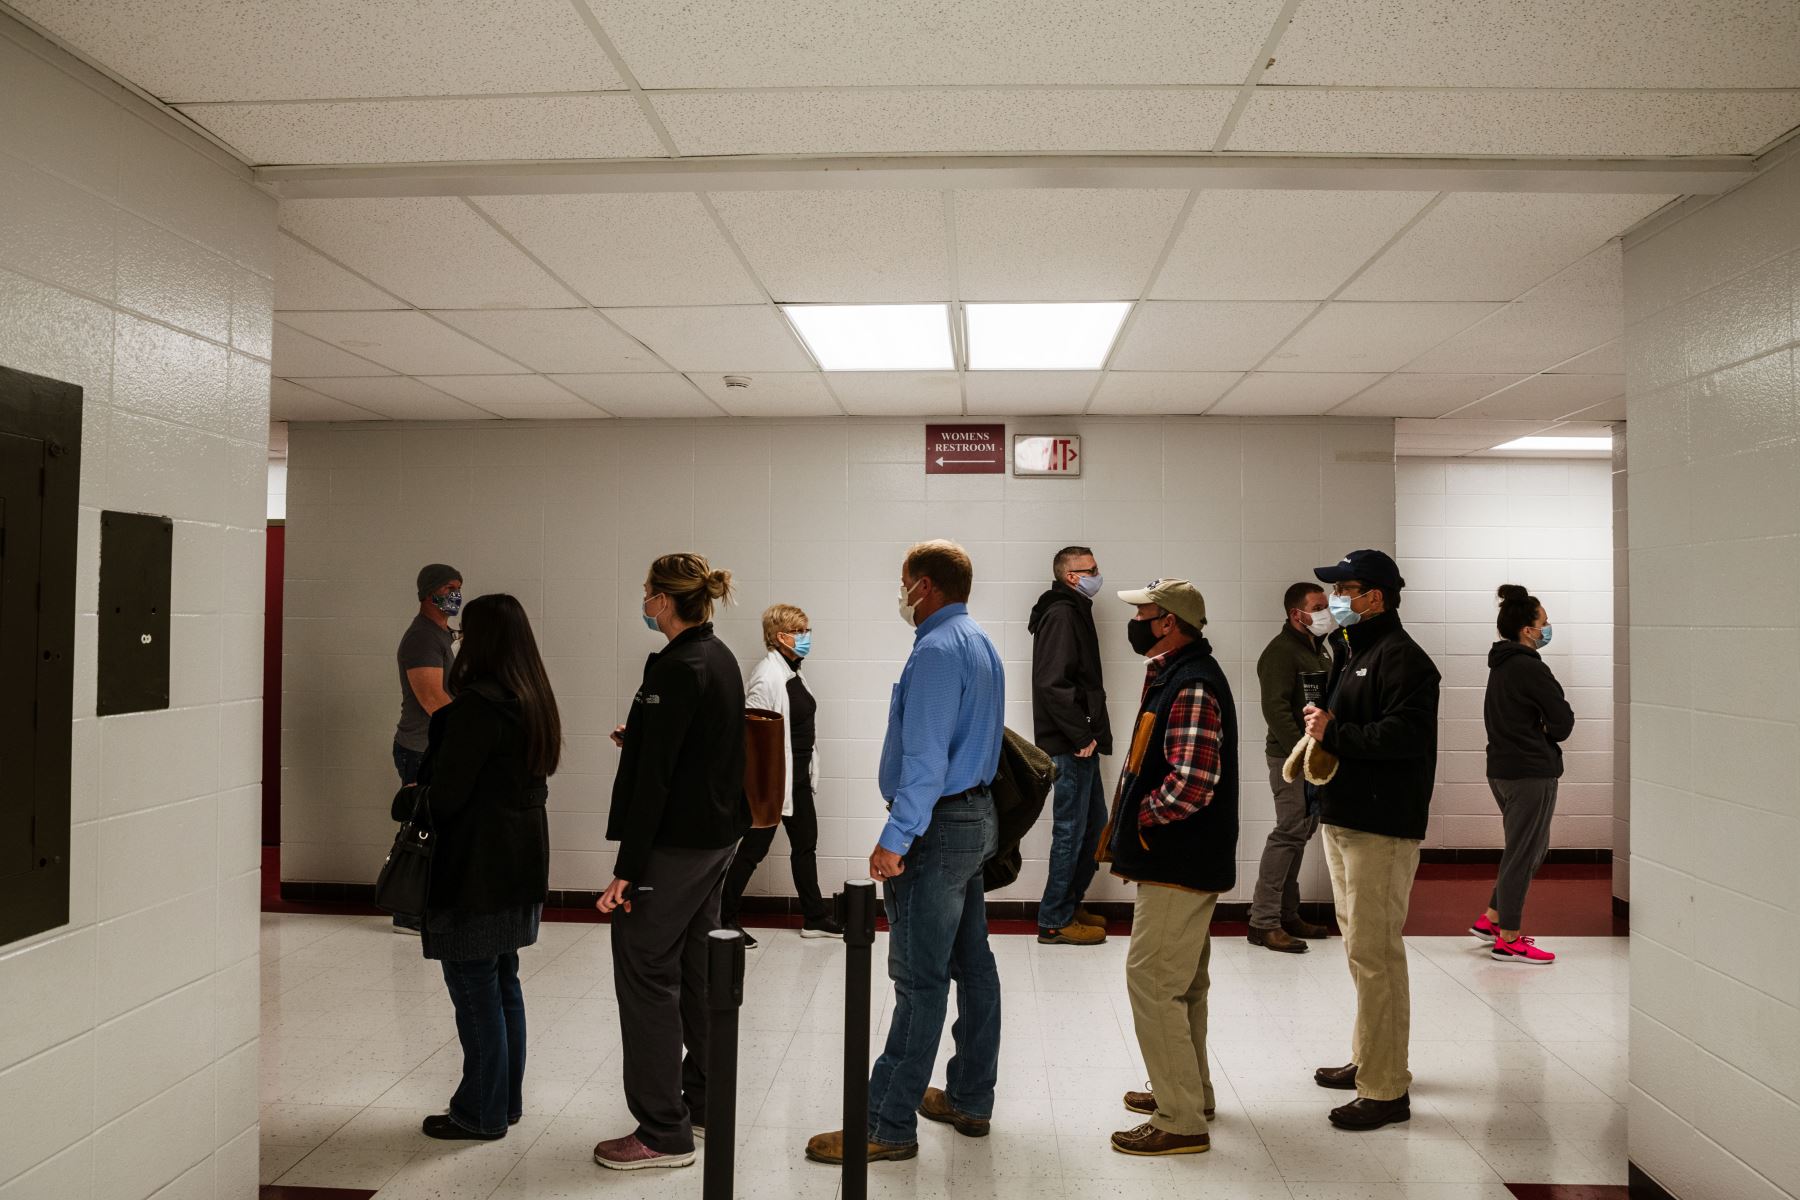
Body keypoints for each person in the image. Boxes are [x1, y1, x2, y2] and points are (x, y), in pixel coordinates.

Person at [806, 540, 1005, 1167]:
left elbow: (925, 760)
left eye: (904, 583)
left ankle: (887, 1124)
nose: (901, 594)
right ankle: (970, 1096)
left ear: (925, 585)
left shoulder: (939, 651)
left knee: (918, 980)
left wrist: (895, 840)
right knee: (972, 964)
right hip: (973, 820)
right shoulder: (979, 641)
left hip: (937, 829)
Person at [594, 554, 749, 1172]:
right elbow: (699, 747)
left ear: (661, 600)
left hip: (675, 843)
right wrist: (643, 739)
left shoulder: (680, 666)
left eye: (647, 593)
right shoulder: (718, 656)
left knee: (645, 968)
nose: (644, 601)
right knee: (694, 966)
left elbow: (656, 780)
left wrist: (628, 867)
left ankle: (662, 1130)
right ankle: (706, 1104)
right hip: (714, 836)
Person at [405, 593, 558, 1140]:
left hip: (475, 869)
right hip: (521, 864)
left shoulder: (474, 708)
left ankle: (480, 1112)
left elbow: (447, 798)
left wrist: (416, 793)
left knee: (474, 991)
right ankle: (505, 1102)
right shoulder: (534, 699)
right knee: (503, 983)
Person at [1301, 549, 1440, 1132]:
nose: (1336, 600)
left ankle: (1385, 1089)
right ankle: (1368, 1057)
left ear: (1375, 597)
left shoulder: (1405, 660)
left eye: (1346, 589)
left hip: (1381, 828)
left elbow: (1403, 737)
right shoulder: (1353, 651)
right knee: (1360, 949)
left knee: (1376, 954)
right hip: (1346, 818)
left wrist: (1336, 731)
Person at [1099, 580, 1238, 1157]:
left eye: (1145, 612)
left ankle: (1178, 1119)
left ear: (1169, 622)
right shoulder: (1175, 674)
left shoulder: (1193, 683)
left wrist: (1141, 820)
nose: (1136, 619)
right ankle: (1192, 1091)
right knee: (1184, 983)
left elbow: (1193, 783)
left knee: (1153, 982)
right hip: (1182, 858)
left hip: (1178, 859)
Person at [720, 603, 845, 947]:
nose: (807, 637)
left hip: (798, 777)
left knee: (805, 845)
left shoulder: (794, 671)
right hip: (772, 783)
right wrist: (761, 789)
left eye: (807, 630)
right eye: (801, 632)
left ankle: (815, 917)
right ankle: (724, 918)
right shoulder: (767, 675)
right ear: (781, 637)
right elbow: (752, 734)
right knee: (753, 850)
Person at [1474, 584, 1575, 964]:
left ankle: (1492, 918)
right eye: (1544, 623)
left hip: (1501, 769)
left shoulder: (1500, 664)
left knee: (1530, 849)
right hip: (1530, 772)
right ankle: (1509, 938)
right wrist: (1545, 732)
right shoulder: (1530, 667)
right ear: (1527, 630)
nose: (1547, 629)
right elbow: (1563, 723)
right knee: (1523, 853)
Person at [1028, 546, 1113, 946]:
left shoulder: (1073, 608)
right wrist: (1080, 736)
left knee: (1094, 827)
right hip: (1070, 742)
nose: (1098, 574)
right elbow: (1051, 683)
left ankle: (1068, 902)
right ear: (1071, 576)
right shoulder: (1062, 613)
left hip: (1081, 739)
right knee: (1071, 830)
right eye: (1090, 569)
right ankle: (1054, 918)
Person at [1248, 582, 1336, 953]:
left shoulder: (1321, 650)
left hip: (1314, 757)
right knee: (1287, 833)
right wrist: (1300, 754)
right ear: (1295, 614)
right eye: (1317, 607)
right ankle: (1263, 922)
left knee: (1299, 833)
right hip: (1290, 758)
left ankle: (1288, 913)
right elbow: (1276, 709)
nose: (1324, 613)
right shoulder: (1280, 653)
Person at [392, 563, 462, 934]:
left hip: (433, 746)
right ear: (429, 591)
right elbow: (432, 698)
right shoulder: (421, 638)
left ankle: (422, 908)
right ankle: (407, 913)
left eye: (458, 587)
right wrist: (471, 727)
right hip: (420, 748)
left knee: (433, 829)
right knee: (419, 831)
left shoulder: (440, 635)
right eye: (449, 587)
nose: (455, 594)